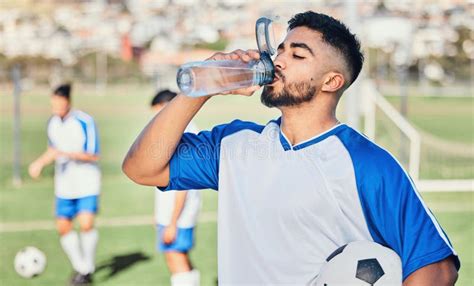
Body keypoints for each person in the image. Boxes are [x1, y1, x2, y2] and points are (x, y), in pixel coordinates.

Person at [122, 11, 460, 285]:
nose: (279, 61)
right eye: (280, 50)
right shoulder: (233, 144)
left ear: (331, 81)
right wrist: (200, 88)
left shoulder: (368, 164)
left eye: (297, 54)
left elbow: (438, 268)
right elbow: (142, 168)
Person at [29, 84, 100, 286]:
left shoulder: (84, 121)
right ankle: (81, 268)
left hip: (87, 182)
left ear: (68, 101)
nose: (55, 106)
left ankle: (88, 268)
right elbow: (52, 150)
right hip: (64, 185)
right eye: (52, 103)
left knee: (86, 224)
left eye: (58, 102)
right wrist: (39, 163)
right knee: (63, 227)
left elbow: (93, 155)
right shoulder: (52, 123)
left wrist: (66, 154)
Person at [150, 89, 201, 286]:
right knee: (180, 257)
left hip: (179, 213)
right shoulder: (182, 129)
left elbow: (184, 183)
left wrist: (172, 221)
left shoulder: (183, 132)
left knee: (175, 258)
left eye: (157, 111)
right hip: (174, 212)